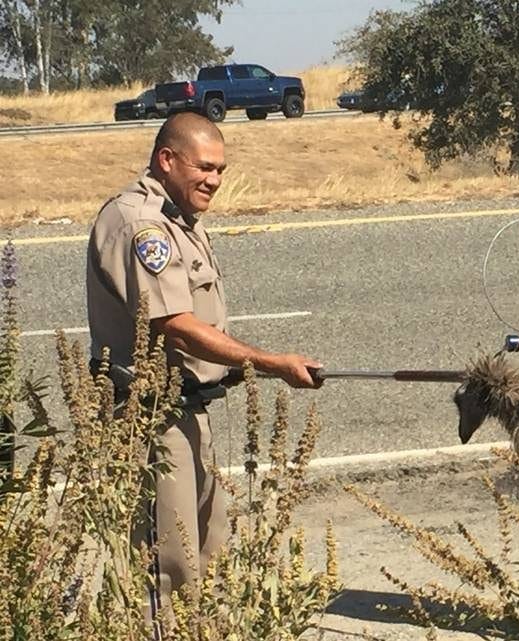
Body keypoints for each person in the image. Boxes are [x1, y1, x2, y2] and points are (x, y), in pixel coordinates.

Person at [86, 112, 322, 627]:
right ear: (166, 160)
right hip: (150, 421)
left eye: (221, 170)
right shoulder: (140, 224)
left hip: (190, 411)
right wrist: (270, 362)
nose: (215, 180)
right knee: (167, 568)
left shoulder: (180, 221)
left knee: (208, 557)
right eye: (205, 167)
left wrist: (231, 371)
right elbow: (176, 326)